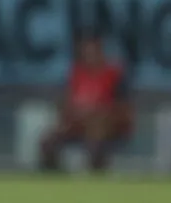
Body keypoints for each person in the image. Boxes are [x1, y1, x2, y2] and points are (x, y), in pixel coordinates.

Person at [39, 34, 133, 172]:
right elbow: (65, 103)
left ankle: (96, 180)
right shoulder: (76, 75)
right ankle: (55, 179)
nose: (89, 55)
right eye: (85, 51)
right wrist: (71, 116)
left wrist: (97, 116)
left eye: (93, 51)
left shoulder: (114, 75)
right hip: (77, 124)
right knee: (48, 141)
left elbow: (123, 109)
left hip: (106, 125)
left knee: (95, 138)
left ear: (100, 51)